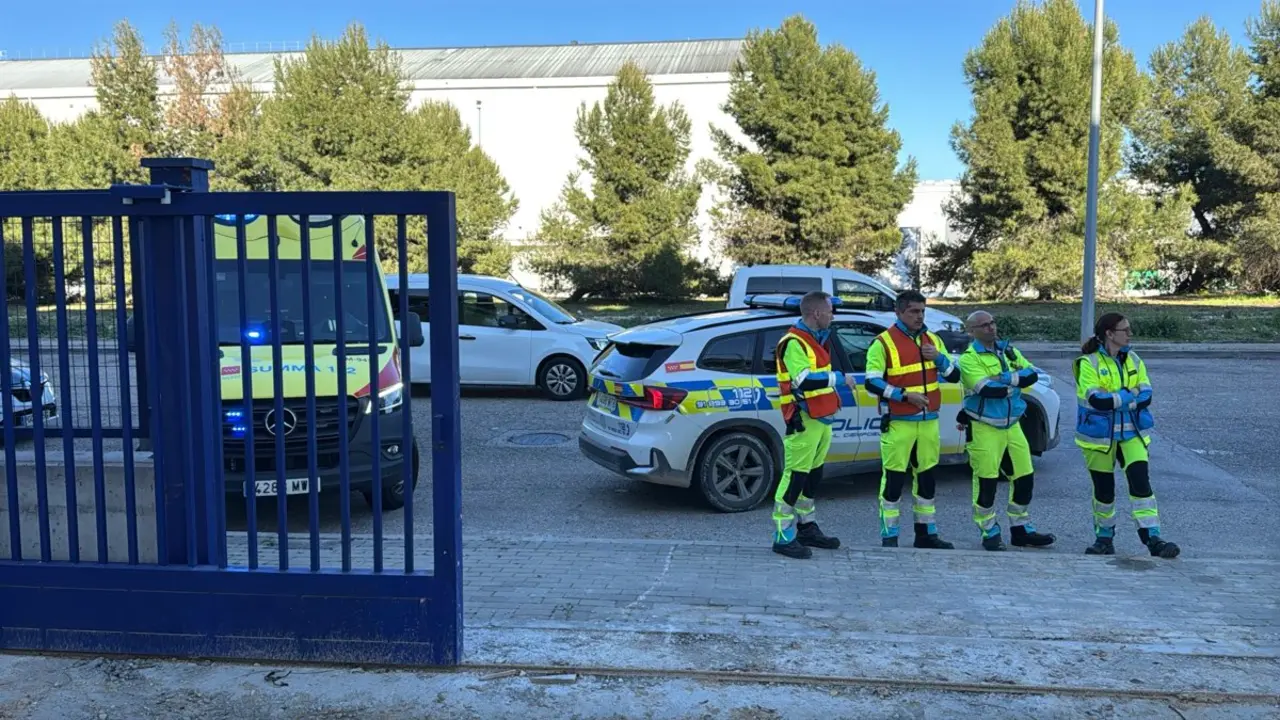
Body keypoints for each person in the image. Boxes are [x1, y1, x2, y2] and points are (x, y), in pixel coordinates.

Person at [1074, 313, 1180, 559]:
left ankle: (1153, 539)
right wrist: (1127, 396)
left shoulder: (1134, 359)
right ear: (1110, 334)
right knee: (1104, 491)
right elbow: (1096, 400)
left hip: (1132, 434)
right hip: (1099, 438)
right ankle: (1104, 538)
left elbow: (1146, 395)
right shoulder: (1087, 363)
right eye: (1125, 330)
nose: (1130, 334)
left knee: (1141, 485)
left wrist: (1121, 400)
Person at [864, 290, 959, 549]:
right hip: (899, 421)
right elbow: (871, 382)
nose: (920, 316)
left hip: (929, 422)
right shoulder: (882, 343)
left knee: (927, 479)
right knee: (893, 481)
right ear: (899, 312)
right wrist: (904, 396)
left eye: (922, 311)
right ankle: (890, 536)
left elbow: (953, 375)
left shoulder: (932, 340)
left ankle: (926, 535)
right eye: (914, 312)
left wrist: (938, 359)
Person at [957, 311, 1056, 551]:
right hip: (984, 426)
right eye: (984, 325)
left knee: (1024, 478)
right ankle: (989, 530)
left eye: (992, 322)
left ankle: (1021, 530)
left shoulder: (1008, 351)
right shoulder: (969, 359)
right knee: (987, 482)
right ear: (972, 331)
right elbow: (987, 389)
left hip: (1012, 425)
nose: (991, 328)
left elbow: (1031, 374)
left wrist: (1003, 378)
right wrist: (1013, 381)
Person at [771, 290, 858, 559]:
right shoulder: (793, 342)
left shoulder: (818, 338)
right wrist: (839, 380)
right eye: (830, 311)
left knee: (812, 476)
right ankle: (783, 536)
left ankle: (806, 527)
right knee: (795, 476)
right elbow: (804, 380)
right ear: (817, 313)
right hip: (803, 418)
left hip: (821, 417)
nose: (833, 316)